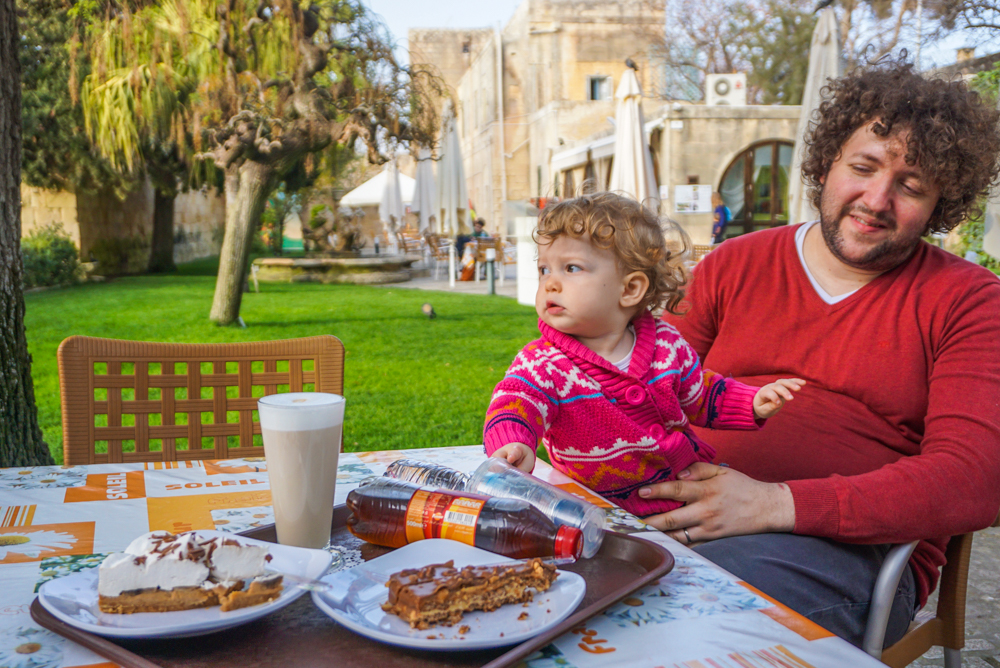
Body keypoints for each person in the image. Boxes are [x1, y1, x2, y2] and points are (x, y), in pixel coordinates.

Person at [646, 58, 1000, 648]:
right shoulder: (734, 265)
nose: (876, 200)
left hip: (851, 557)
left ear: (943, 202)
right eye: (862, 167)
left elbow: (973, 480)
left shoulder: (970, 301)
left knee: (688, 624)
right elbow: (648, 386)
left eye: (911, 187)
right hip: (684, 506)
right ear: (827, 161)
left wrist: (771, 504)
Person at [481, 192, 803, 517]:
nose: (550, 283)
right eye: (544, 269)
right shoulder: (544, 363)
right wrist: (513, 442)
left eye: (571, 268)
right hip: (593, 513)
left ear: (629, 289)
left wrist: (751, 402)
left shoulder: (666, 345)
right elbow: (516, 403)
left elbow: (701, 394)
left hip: (683, 498)